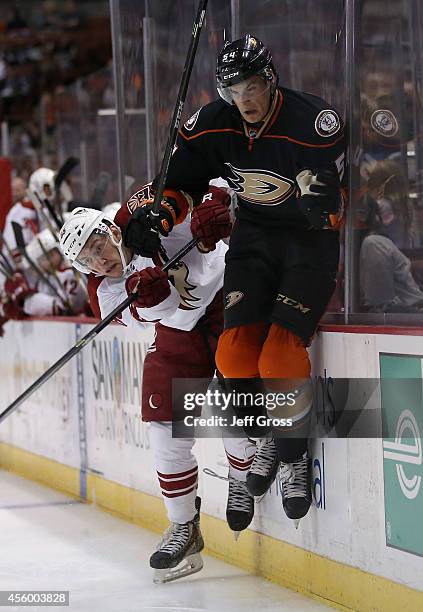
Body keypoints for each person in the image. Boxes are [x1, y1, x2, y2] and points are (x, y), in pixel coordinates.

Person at [123, 35, 346, 524]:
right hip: (257, 238)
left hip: (309, 244)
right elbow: (182, 183)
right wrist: (159, 214)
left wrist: (326, 200)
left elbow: (336, 198)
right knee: (233, 353)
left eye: (251, 87)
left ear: (270, 80)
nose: (243, 100)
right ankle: (263, 441)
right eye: (233, 91)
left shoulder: (313, 122)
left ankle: (291, 457)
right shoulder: (211, 124)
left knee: (279, 354)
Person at [59, 188, 256, 583]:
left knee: (227, 401)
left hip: (225, 295)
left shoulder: (137, 215)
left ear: (109, 231)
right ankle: (183, 527)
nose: (100, 260)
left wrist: (209, 206)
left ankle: (242, 478)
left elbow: (196, 183)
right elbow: (155, 315)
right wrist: (151, 298)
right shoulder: (103, 291)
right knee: (163, 428)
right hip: (176, 329)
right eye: (87, 259)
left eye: (99, 245)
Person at [359, 160, 423, 312]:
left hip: (400, 281)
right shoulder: (406, 208)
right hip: (403, 276)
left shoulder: (383, 206)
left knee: (373, 243)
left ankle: (382, 307)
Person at [1, 228, 87, 320]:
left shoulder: (68, 273)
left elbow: (64, 308)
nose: (47, 261)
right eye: (42, 259)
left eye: (51, 255)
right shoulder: (47, 277)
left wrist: (25, 300)